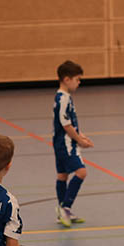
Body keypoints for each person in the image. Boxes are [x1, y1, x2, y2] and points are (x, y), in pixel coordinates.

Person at [53, 60, 94, 228]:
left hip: (61, 143)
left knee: (62, 175)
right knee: (81, 172)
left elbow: (70, 123)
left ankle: (63, 210)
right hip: (66, 144)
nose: (79, 82)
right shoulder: (63, 99)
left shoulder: (64, 97)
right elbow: (66, 125)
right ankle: (66, 207)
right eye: (77, 79)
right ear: (66, 79)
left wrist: (82, 136)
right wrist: (79, 141)